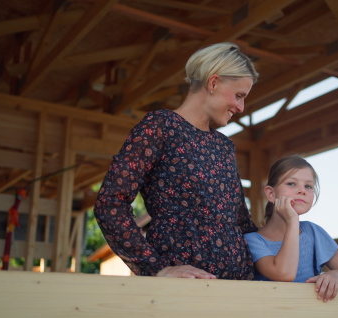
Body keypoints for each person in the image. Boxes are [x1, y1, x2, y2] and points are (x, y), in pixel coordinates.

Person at [94, 42, 259, 280]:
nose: (241, 107)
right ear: (213, 83)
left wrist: (306, 244)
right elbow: (110, 202)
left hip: (237, 288)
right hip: (180, 291)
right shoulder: (160, 126)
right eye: (239, 95)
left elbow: (243, 224)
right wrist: (155, 268)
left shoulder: (225, 147)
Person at [244, 155, 338, 303]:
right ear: (271, 194)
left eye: (308, 186)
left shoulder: (313, 232)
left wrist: (335, 275)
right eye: (292, 184)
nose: (302, 190)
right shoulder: (252, 240)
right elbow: (284, 274)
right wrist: (292, 220)